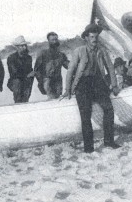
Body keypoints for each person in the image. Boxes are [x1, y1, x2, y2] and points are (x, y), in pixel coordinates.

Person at [62, 23, 121, 153]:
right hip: (82, 84)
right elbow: (70, 70)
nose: (95, 39)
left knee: (109, 109)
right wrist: (67, 89)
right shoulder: (79, 51)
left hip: (98, 83)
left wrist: (114, 84)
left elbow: (110, 67)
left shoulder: (102, 51)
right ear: (86, 38)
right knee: (85, 115)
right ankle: (89, 148)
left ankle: (109, 141)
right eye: (92, 37)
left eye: (96, 37)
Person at [33, 32, 69, 99]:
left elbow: (68, 65)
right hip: (47, 80)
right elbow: (36, 70)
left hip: (58, 81)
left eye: (56, 39)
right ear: (48, 41)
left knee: (58, 99)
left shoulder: (61, 55)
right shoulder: (43, 54)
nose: (55, 42)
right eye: (52, 40)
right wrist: (41, 82)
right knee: (51, 99)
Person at [7, 36, 35, 103]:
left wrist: (32, 74)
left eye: (25, 45)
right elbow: (14, 73)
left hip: (26, 81)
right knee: (17, 84)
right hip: (15, 82)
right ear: (17, 47)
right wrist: (27, 75)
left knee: (26, 99)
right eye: (22, 46)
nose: (24, 47)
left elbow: (30, 70)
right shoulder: (11, 58)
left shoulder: (29, 58)